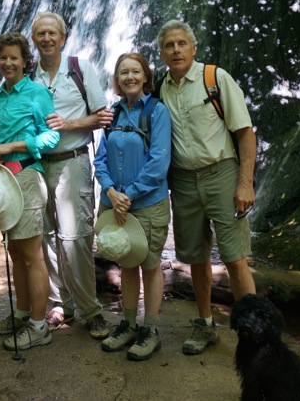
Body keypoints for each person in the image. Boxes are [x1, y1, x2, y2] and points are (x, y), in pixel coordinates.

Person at [156, 19, 257, 355]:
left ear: (193, 47)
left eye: (181, 43)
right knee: (197, 257)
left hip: (222, 173)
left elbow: (244, 132)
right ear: (162, 52)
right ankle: (205, 325)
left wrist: (245, 182)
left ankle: (254, 333)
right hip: (183, 181)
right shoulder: (161, 89)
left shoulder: (216, 78)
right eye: (169, 45)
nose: (176, 50)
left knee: (235, 257)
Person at [30, 12, 112, 340]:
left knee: (75, 238)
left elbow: (103, 115)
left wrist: (69, 124)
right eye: (40, 34)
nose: (47, 38)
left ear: (63, 38)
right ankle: (60, 303)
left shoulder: (80, 69)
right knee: (46, 235)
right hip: (37, 164)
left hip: (73, 160)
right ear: (34, 40)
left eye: (52, 33)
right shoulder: (27, 75)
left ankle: (91, 310)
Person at [0, 31, 61, 351]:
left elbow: (51, 138)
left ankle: (40, 326)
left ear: (25, 61)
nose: (8, 62)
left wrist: (11, 146)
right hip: (1, 182)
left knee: (32, 255)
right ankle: (23, 313)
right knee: (14, 254)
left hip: (27, 177)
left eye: (14, 57)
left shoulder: (37, 94)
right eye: (3, 58)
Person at [93, 53, 172, 361]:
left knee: (150, 265)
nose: (129, 77)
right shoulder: (112, 113)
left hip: (147, 204)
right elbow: (99, 160)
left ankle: (150, 330)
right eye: (123, 72)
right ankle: (127, 323)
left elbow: (159, 162)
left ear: (145, 76)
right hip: (115, 203)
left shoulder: (157, 112)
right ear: (117, 78)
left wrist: (130, 194)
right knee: (126, 262)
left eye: (135, 71)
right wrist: (112, 191)